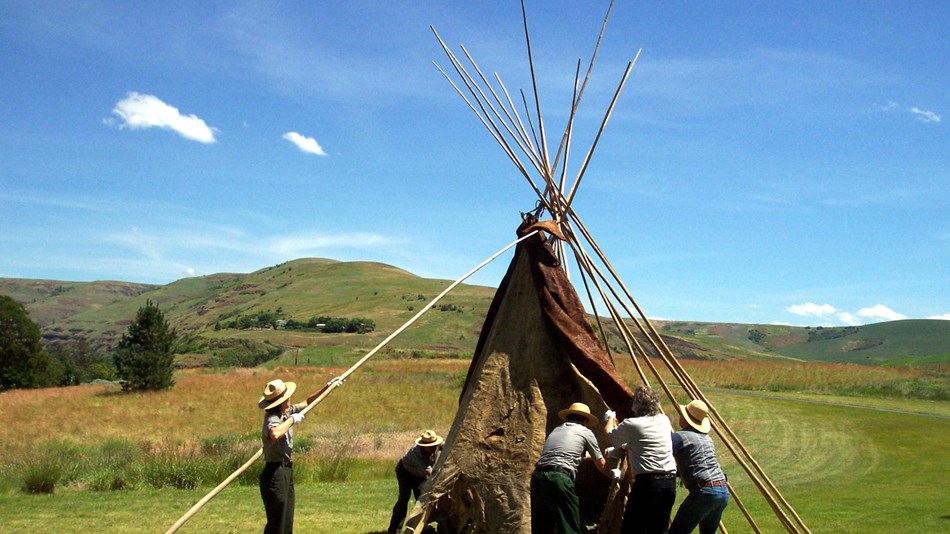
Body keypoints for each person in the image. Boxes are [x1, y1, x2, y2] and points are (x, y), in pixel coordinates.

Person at [258, 376, 342, 534]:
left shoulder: (286, 411)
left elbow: (307, 403)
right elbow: (275, 434)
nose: (290, 398)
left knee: (287, 520)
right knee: (277, 523)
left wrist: (328, 387)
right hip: (275, 473)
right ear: (282, 400)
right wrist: (291, 420)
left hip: (286, 471)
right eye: (287, 396)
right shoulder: (273, 418)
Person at [531, 402, 621, 534]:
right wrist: (612, 476)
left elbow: (565, 454)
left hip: (538, 477)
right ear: (585, 420)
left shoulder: (557, 430)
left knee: (542, 526)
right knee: (569, 526)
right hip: (559, 478)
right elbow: (600, 463)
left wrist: (591, 456)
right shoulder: (585, 432)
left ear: (568, 417)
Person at [605, 385, 677, 534]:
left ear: (636, 405)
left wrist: (610, 418)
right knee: (658, 529)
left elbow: (610, 437)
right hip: (669, 483)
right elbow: (645, 441)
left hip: (648, 483)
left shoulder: (632, 424)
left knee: (632, 527)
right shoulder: (664, 420)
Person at [668, 400, 729, 534]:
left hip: (704, 491)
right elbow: (698, 463)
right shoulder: (707, 438)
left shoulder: (680, 437)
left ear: (686, 418)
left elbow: (662, 455)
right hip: (723, 490)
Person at [388, 429, 445, 534]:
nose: (434, 448)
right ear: (424, 446)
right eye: (431, 446)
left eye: (435, 445)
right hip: (405, 472)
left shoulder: (435, 447)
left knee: (421, 499)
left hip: (420, 473)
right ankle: (394, 530)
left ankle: (421, 527)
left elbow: (445, 446)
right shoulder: (415, 456)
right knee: (403, 499)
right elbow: (429, 473)